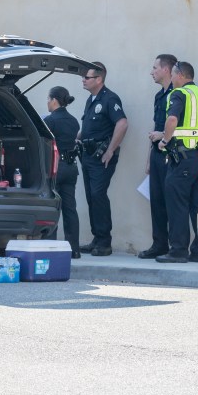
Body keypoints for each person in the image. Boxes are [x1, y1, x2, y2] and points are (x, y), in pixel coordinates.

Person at [156, 61, 198, 263]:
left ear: (181, 75)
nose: (173, 79)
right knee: (197, 205)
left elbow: (172, 120)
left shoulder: (179, 94)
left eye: (174, 75)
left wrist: (164, 141)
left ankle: (178, 251)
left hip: (181, 158)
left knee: (177, 205)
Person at [77, 62, 128, 257]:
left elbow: (122, 124)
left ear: (99, 79)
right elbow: (88, 126)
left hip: (101, 157)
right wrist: (78, 137)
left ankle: (105, 242)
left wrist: (110, 150)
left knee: (98, 195)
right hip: (87, 155)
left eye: (87, 77)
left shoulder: (109, 98)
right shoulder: (91, 99)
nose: (83, 80)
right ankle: (97, 239)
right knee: (91, 197)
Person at [138, 54, 177, 259]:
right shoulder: (158, 96)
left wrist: (163, 137)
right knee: (157, 201)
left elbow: (177, 124)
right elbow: (156, 127)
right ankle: (159, 244)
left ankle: (175, 246)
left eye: (155, 67)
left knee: (172, 202)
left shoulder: (178, 93)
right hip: (157, 153)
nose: (151, 71)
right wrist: (148, 158)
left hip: (172, 153)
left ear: (166, 70)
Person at [43, 86, 81, 259]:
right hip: (71, 167)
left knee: (53, 207)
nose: (47, 103)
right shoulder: (74, 121)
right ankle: (74, 248)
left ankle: (52, 245)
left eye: (48, 99)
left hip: (56, 168)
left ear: (54, 100)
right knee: (70, 209)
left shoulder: (50, 121)